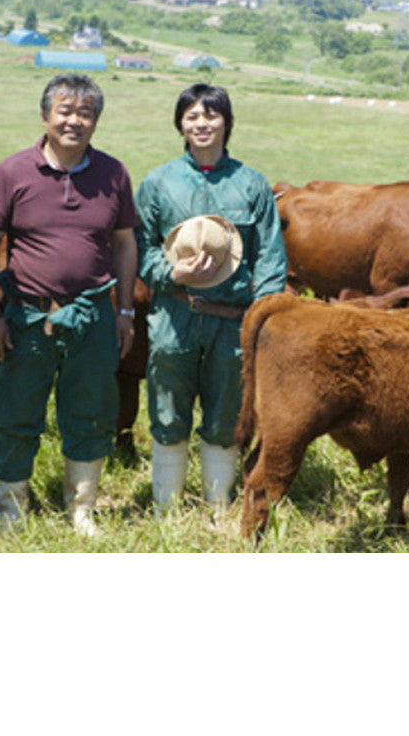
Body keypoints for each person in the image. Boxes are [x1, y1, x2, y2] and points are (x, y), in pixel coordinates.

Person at [0, 74, 137, 537]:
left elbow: (125, 244)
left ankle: (82, 508)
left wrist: (125, 310)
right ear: (45, 116)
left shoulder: (113, 174)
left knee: (92, 410)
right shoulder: (12, 172)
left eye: (85, 113)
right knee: (15, 410)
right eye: (65, 111)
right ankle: (10, 508)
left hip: (93, 314)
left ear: (96, 121)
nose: (74, 121)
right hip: (28, 314)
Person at [134, 83, 287, 513]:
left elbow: (270, 255)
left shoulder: (251, 184)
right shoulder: (158, 183)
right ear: (180, 124)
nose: (202, 124)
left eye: (211, 115)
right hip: (174, 312)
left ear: (226, 122)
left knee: (227, 415)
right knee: (167, 411)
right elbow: (140, 247)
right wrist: (170, 272)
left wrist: (264, 318)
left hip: (233, 318)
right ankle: (167, 509)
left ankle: (218, 507)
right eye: (192, 116)